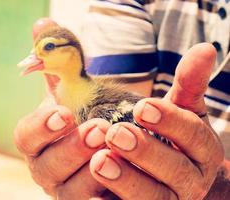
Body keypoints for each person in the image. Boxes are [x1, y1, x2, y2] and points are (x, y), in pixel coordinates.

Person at [14, 0, 230, 199]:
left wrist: (213, 184)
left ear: (72, 53)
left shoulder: (98, 107)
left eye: (49, 48)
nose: (34, 57)